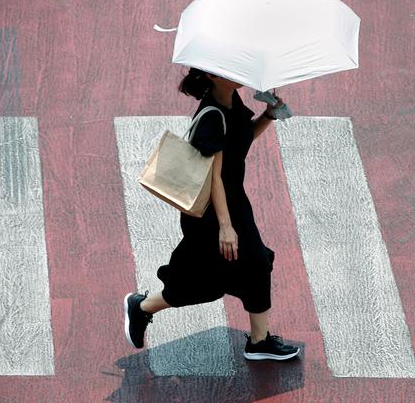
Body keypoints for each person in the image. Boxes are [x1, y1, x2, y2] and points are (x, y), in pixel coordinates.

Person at [123, 68, 299, 361]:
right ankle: (142, 307)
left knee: (254, 265)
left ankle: (259, 341)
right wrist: (226, 227)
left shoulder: (231, 101)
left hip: (234, 203)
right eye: (229, 70)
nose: (239, 73)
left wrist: (268, 115)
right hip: (211, 215)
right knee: (205, 280)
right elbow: (214, 176)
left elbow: (242, 140)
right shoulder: (212, 117)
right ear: (213, 77)